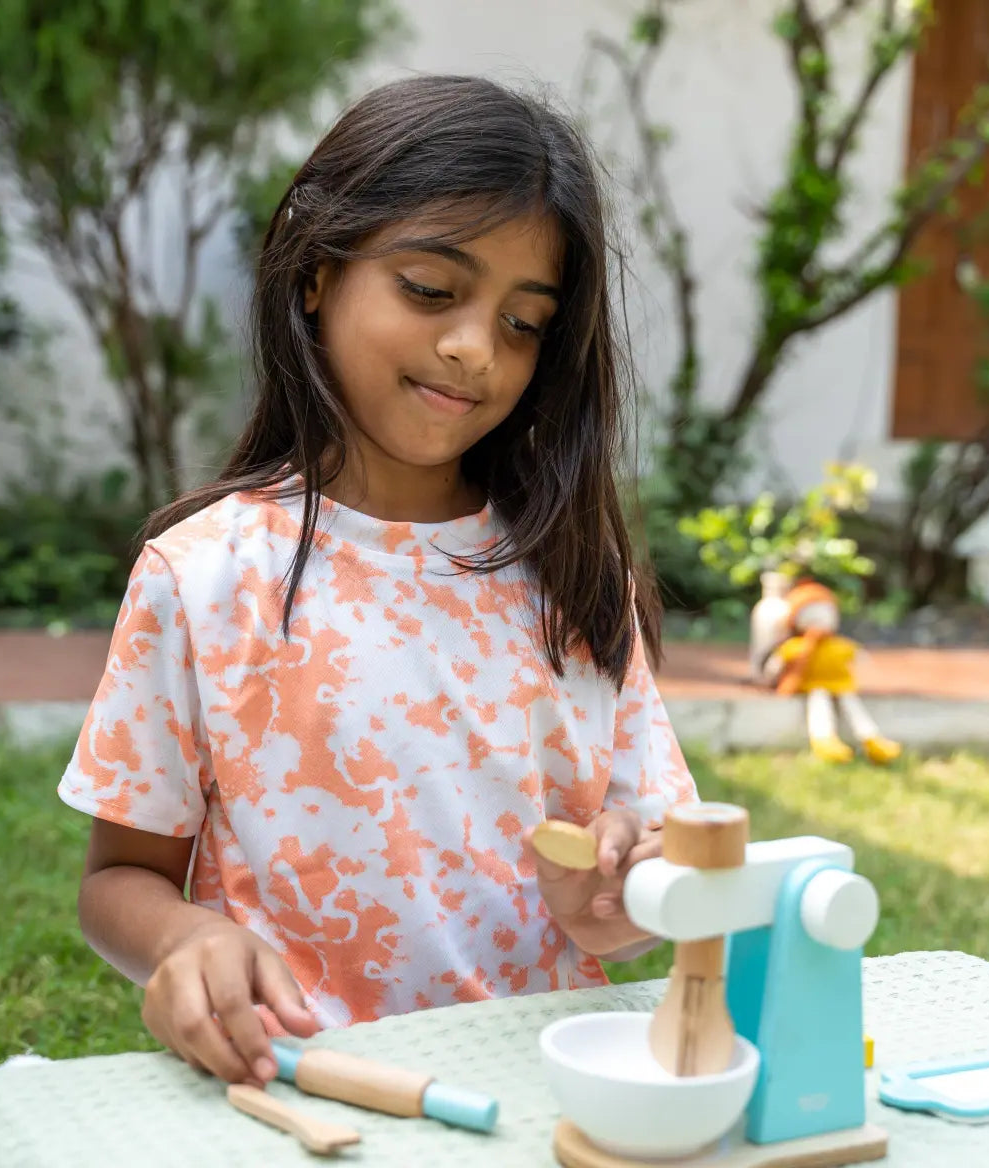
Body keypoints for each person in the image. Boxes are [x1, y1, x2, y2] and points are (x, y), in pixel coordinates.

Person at [57, 74, 698, 1088]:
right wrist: (185, 940)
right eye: (431, 290)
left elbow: (644, 877)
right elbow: (121, 878)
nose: (473, 348)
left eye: (524, 322)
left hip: (539, 1089)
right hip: (302, 1083)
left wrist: (625, 897)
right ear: (316, 272)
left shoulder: (576, 576)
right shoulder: (203, 575)